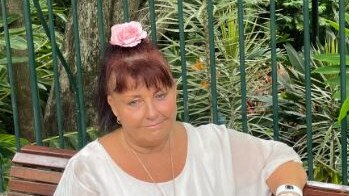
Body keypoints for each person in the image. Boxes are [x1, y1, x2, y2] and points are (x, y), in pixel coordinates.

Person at [54, 21, 307, 196]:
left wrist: (288, 191)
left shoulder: (213, 146)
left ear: (175, 91)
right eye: (134, 101)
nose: (152, 112)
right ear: (113, 105)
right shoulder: (89, 170)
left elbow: (281, 159)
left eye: (160, 95)